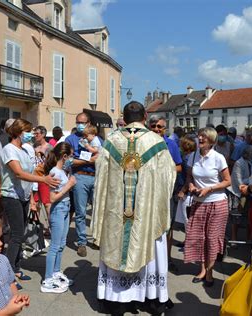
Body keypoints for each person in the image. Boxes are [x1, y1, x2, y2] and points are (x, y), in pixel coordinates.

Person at [92, 101, 176, 315]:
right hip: (144, 213)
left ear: (124, 117)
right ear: (145, 116)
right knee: (146, 245)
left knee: (117, 245)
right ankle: (149, 298)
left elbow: (101, 178)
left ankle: (116, 301)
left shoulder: (111, 141)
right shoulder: (156, 142)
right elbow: (169, 177)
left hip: (116, 213)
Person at [0, 119, 59, 288]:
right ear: (19, 132)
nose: (31, 134)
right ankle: (8, 273)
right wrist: (44, 180)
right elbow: (18, 173)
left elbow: (29, 174)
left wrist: (32, 199)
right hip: (11, 196)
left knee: (21, 233)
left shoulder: (25, 150)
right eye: (28, 131)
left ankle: (17, 267)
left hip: (23, 196)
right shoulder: (9, 150)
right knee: (16, 235)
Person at [183, 127, 231, 286]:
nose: (200, 139)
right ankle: (202, 269)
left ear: (211, 140)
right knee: (198, 237)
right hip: (198, 202)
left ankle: (210, 271)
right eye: (199, 136)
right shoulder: (193, 156)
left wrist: (209, 189)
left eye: (203, 137)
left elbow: (227, 181)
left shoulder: (218, 158)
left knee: (211, 238)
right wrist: (191, 186)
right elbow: (189, 176)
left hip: (217, 203)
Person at [40, 142, 77, 294]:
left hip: (65, 209)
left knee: (61, 243)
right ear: (64, 156)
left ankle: (55, 272)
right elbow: (53, 198)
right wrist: (69, 185)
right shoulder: (55, 172)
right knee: (55, 246)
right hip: (58, 210)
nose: (72, 159)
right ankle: (48, 279)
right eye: (71, 156)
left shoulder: (62, 171)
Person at [149, 115, 182, 271]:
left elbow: (179, 167)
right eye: (154, 126)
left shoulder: (171, 144)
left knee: (167, 227)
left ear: (165, 129)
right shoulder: (144, 143)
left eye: (159, 127)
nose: (156, 129)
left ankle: (167, 259)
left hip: (167, 193)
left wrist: (162, 170)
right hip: (148, 193)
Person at [66, 112, 99, 257]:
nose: (80, 125)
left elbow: (103, 156)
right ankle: (82, 243)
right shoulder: (70, 139)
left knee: (98, 211)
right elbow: (68, 160)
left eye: (83, 122)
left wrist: (93, 159)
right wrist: (88, 161)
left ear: (89, 123)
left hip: (96, 176)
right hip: (80, 176)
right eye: (77, 122)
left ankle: (98, 239)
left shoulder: (98, 139)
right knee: (80, 212)